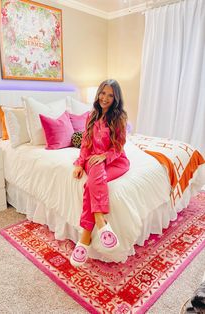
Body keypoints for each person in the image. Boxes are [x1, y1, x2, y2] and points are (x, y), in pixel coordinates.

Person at [70, 79, 130, 267]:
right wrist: (80, 164)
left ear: (116, 98)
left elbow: (119, 147)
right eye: (103, 93)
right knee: (95, 167)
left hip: (116, 161)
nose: (105, 98)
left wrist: (104, 156)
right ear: (98, 94)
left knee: (90, 184)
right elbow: (86, 144)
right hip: (94, 162)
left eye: (110, 95)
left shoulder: (119, 117)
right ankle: (100, 222)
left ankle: (85, 238)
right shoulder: (91, 115)